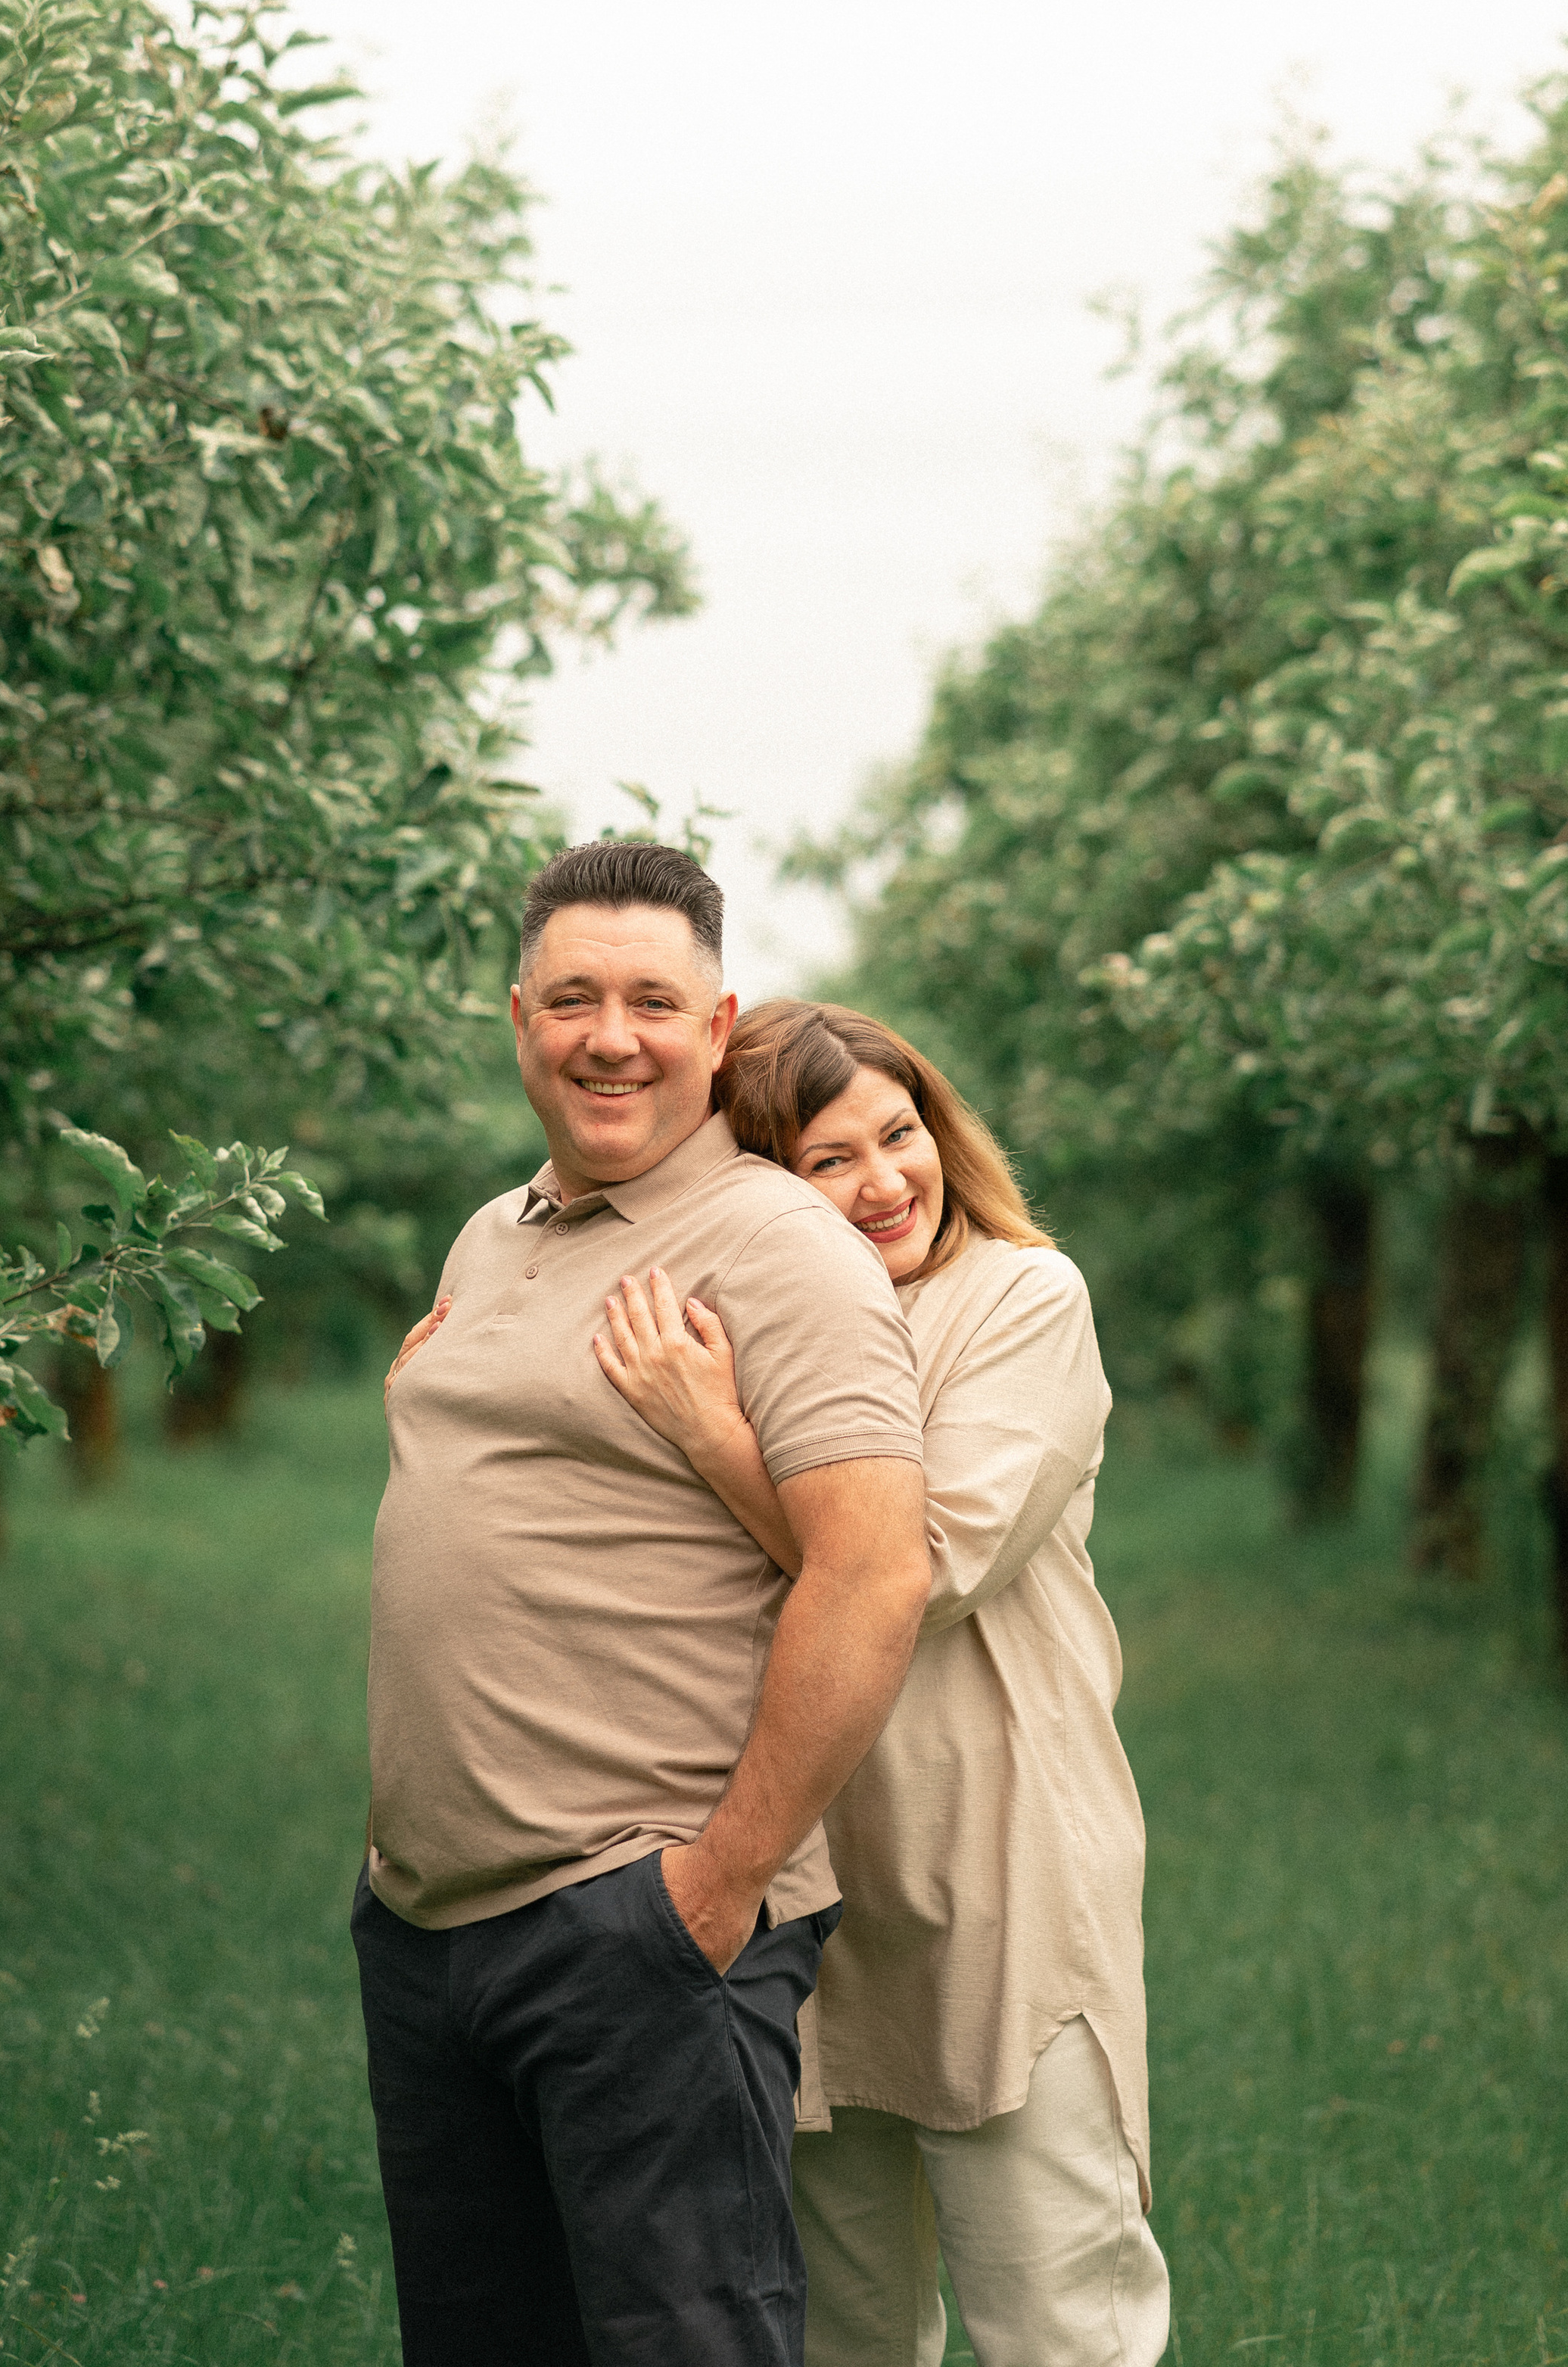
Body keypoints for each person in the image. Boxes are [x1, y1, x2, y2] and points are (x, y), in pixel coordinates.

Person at [361, 848, 932, 2367]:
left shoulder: (778, 1246)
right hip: (426, 1925)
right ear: (516, 1018)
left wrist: (713, 1886)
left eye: (651, 1002)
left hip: (637, 1915)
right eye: (571, 998)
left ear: (714, 1022)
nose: (608, 1034)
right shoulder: (494, 1237)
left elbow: (876, 1568)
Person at [592, 998, 1169, 2367]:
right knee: (844, 2334)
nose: (884, 1181)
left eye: (898, 1135)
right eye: (827, 1162)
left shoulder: (1022, 1299)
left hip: (999, 1867)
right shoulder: (744, 1323)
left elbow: (920, 1565)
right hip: (800, 1871)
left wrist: (713, 1433)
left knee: (1060, 2323)